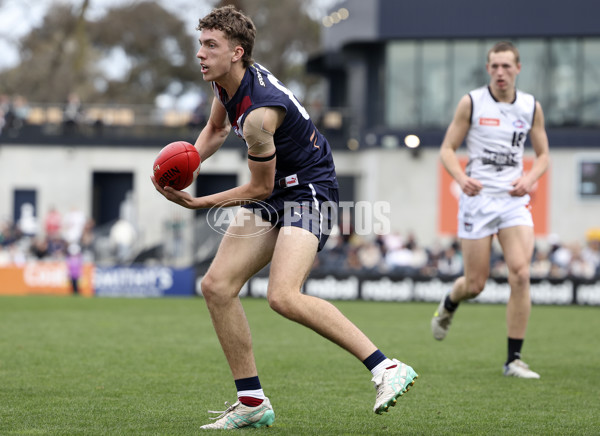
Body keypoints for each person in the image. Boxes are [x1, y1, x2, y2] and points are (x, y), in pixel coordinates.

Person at [151, 5, 417, 429]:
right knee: (217, 286)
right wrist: (186, 165)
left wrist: (199, 203)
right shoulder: (223, 83)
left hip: (309, 188)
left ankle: (385, 367)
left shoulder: (259, 116)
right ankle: (252, 403)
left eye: (210, 46)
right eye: (200, 44)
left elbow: (257, 188)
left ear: (237, 52)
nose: (200, 54)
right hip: (278, 187)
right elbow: (217, 130)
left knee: (283, 295)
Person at [432, 41, 550, 379]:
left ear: (518, 68)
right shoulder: (471, 102)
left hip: (513, 199)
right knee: (475, 284)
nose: (500, 72)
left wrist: (529, 178)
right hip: (478, 199)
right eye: (494, 66)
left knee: (521, 273)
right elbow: (447, 149)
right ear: (488, 69)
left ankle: (513, 360)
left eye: (506, 66)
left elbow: (543, 156)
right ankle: (450, 303)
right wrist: (460, 176)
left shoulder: (530, 107)